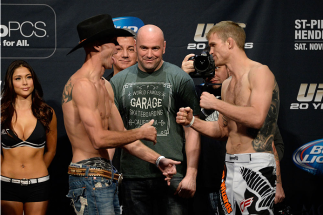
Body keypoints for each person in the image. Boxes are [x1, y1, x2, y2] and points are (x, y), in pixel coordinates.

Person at [62, 14, 180, 215]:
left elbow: (124, 136)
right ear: (98, 45)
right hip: (88, 177)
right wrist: (140, 132)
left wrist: (158, 159)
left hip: (105, 178)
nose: (118, 49)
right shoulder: (81, 85)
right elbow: (99, 139)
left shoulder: (105, 85)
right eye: (114, 43)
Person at [176, 21, 285, 215]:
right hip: (229, 166)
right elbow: (222, 130)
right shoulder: (227, 85)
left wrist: (216, 104)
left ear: (229, 43)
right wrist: (193, 121)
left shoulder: (260, 73)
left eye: (213, 45)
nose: (210, 52)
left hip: (256, 166)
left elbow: (256, 117)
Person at [110, 24, 201, 215]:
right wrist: (107, 173)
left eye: (155, 48)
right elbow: (113, 133)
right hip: (132, 175)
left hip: (172, 174)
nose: (149, 54)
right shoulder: (118, 82)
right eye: (144, 48)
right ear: (135, 46)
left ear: (164, 47)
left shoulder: (180, 79)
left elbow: (191, 129)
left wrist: (191, 173)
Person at [0, 60, 57, 215]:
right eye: (18, 78)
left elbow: (51, 151)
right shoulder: (1, 114)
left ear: (34, 80)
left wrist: (38, 171)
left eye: (28, 77)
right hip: (7, 184)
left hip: (39, 185)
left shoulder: (47, 113)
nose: (25, 82)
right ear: (10, 82)